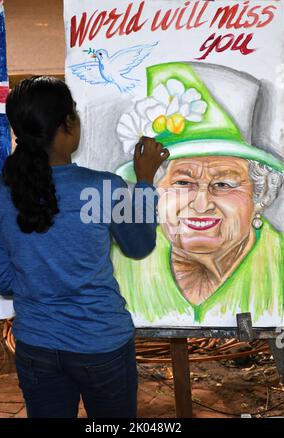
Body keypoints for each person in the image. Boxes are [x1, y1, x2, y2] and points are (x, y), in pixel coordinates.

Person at [0, 76, 169, 418]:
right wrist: (144, 183)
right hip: (101, 344)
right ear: (66, 125)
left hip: (36, 345)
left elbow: (4, 282)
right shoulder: (103, 188)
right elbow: (140, 245)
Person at [114, 61, 284, 327]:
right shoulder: (122, 265)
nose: (202, 204)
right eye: (183, 183)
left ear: (259, 194)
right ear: (158, 189)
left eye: (224, 184)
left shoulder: (280, 266)